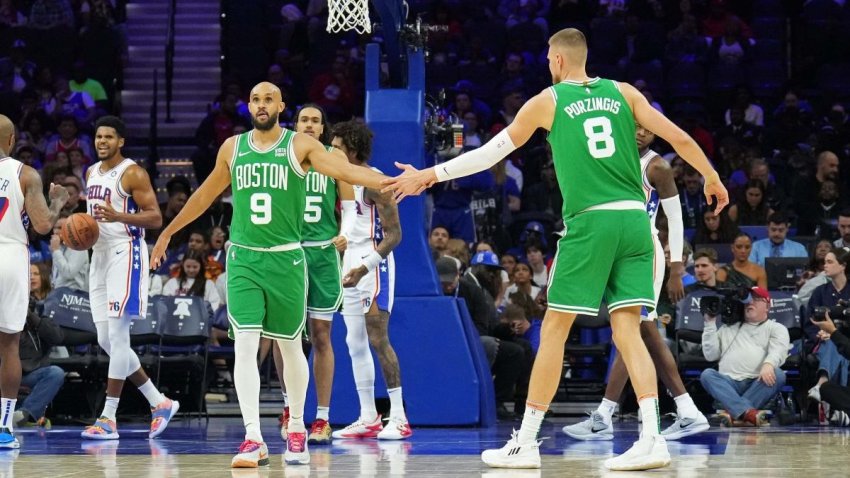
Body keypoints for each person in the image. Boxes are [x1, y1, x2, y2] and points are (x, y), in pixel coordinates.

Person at [383, 28, 728, 471]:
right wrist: (711, 176)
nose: (548, 64)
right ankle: (651, 437)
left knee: (555, 331)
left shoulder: (549, 100)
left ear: (559, 60)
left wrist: (428, 175)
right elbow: (679, 138)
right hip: (637, 223)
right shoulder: (624, 93)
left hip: (592, 222)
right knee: (628, 330)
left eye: (549, 58)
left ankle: (526, 442)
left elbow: (490, 153)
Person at [150, 83, 388, 468]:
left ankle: (297, 426)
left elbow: (345, 171)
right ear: (249, 106)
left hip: (286, 260)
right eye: (255, 100)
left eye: (268, 100)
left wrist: (398, 180)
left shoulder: (301, 146)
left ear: (281, 106)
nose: (261, 105)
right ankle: (252, 438)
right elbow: (203, 196)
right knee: (245, 345)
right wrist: (167, 231)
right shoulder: (233, 147)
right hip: (243, 258)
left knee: (291, 347)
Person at [563, 122, 709, 442]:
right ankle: (687, 411)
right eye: (637, 127)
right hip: (621, 254)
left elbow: (675, 219)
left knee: (632, 332)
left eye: (649, 129)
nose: (643, 133)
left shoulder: (657, 166)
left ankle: (605, 415)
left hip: (646, 254)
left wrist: (675, 267)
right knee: (642, 334)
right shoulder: (612, 159)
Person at [81, 116, 179, 441]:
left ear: (120, 141)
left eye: (109, 137)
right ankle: (158, 401)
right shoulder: (91, 172)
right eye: (98, 136)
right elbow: (92, 220)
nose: (102, 142)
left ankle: (108, 417)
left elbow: (155, 217)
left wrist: (119, 215)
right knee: (105, 340)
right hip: (100, 253)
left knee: (119, 336)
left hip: (126, 251)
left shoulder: (133, 172)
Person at [275, 103, 355, 446]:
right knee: (284, 336)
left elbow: (350, 206)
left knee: (321, 336)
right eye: (304, 119)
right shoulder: (279, 156)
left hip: (322, 253)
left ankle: (321, 418)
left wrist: (346, 233)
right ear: (296, 125)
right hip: (287, 252)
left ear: (323, 128)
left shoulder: (334, 160)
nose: (309, 125)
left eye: (315, 120)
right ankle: (289, 408)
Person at [329, 120, 412, 441]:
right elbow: (350, 225)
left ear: (352, 148)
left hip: (374, 268)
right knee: (353, 343)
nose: (331, 152)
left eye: (336, 147)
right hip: (348, 267)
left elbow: (395, 235)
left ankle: (400, 418)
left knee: (379, 339)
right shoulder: (338, 181)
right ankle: (368, 416)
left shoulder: (375, 182)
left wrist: (363, 267)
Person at [0, 113, 69, 448]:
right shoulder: (25, 173)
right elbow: (43, 226)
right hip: (10, 255)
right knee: (9, 346)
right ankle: (3, 429)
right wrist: (56, 202)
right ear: (11, 140)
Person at [700, 287, 790, 427]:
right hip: (729, 384)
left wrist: (768, 364)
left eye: (756, 299)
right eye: (748, 299)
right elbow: (710, 356)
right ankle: (747, 414)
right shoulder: (727, 328)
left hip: (758, 382)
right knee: (707, 375)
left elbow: (779, 350)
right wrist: (710, 324)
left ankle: (734, 413)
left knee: (778, 374)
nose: (750, 302)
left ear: (767, 305)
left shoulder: (776, 328)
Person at [14, 296, 65, 429]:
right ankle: (24, 417)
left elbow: (57, 337)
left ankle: (24, 414)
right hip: (6, 373)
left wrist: (31, 317)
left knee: (56, 373)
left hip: (31, 374)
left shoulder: (39, 319)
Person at [50, 215, 89, 291]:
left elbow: (69, 273)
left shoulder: (79, 248)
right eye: (55, 228)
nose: (56, 231)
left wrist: (56, 251)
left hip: (74, 295)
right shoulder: (59, 247)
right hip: (58, 294)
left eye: (60, 228)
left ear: (72, 230)